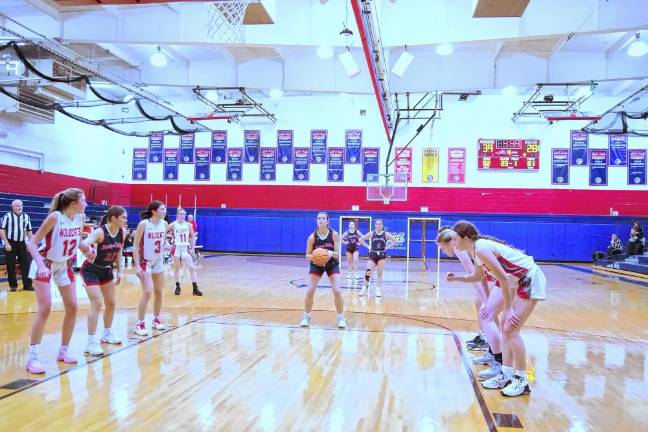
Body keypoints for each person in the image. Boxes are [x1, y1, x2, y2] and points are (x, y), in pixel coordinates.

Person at [448, 220, 547, 397]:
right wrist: (457, 278)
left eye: (455, 239)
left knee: (511, 328)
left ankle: (522, 380)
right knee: (505, 327)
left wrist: (508, 309)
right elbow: (478, 276)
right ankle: (507, 373)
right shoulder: (475, 251)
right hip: (519, 281)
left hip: (529, 278)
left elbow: (503, 281)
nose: (453, 243)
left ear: (466, 237)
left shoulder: (482, 249)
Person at [24, 188, 96, 374]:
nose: (86, 204)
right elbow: (32, 243)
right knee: (45, 308)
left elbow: (76, 241)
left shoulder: (80, 218)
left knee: (72, 308)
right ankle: (32, 357)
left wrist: (87, 249)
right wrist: (40, 265)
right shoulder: (55, 217)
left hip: (65, 264)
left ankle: (63, 351)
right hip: (45, 263)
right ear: (73, 203)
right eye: (84, 200)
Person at [436, 227, 497, 359]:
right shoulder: (460, 247)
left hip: (495, 272)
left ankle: (493, 348)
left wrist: (486, 299)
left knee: (486, 308)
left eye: (443, 248)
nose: (443, 252)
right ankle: (487, 340)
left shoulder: (459, 249)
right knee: (481, 304)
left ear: (451, 242)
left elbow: (473, 274)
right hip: (488, 272)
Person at [80, 206, 128, 356]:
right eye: (123, 217)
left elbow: (119, 250)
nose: (126, 220)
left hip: (106, 269)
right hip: (91, 269)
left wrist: (120, 270)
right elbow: (84, 244)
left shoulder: (122, 232)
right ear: (113, 218)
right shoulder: (100, 232)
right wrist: (89, 250)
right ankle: (90, 342)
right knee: (97, 304)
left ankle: (107, 334)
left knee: (111, 303)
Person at [300, 212, 346, 329]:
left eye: (323, 218)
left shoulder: (334, 235)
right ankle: (306, 316)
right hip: (317, 265)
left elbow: (337, 255)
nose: (321, 220)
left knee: (337, 291)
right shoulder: (312, 238)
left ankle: (341, 317)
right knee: (310, 291)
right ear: (317, 221)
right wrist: (316, 255)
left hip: (331, 264)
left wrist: (328, 253)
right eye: (319, 218)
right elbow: (307, 255)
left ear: (327, 221)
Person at [132, 200, 169, 337]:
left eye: (165, 209)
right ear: (154, 211)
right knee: (148, 291)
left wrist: (168, 246)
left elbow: (163, 241)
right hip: (144, 261)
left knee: (159, 292)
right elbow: (135, 246)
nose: (164, 211)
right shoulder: (144, 224)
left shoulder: (164, 224)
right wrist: (136, 265)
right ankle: (140, 323)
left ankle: (156, 319)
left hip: (158, 260)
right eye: (162, 209)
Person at [358, 219, 398, 297]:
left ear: (382, 225)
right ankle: (363, 289)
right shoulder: (372, 233)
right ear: (375, 225)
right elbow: (361, 239)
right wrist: (368, 246)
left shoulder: (386, 234)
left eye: (380, 224)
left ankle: (378, 290)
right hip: (373, 255)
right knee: (368, 271)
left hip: (382, 256)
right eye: (377, 224)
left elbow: (395, 241)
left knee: (379, 274)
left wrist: (387, 247)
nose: (378, 225)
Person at [1, 199, 34, 292]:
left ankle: (27, 285)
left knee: (26, 265)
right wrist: (6, 243)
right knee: (10, 265)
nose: (20, 207)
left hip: (22, 243)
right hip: (11, 242)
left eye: (21, 205)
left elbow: (29, 231)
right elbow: (2, 230)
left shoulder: (26, 217)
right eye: (18, 205)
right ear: (13, 207)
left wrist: (30, 244)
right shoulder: (7, 216)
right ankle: (13, 286)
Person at [167, 208, 202, 296]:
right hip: (176, 248)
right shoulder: (173, 224)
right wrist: (167, 243)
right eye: (181, 214)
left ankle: (195, 288)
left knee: (191, 267)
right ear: (177, 215)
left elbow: (192, 236)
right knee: (177, 268)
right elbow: (163, 232)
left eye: (184, 214)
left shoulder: (188, 225)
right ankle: (177, 286)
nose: (183, 216)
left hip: (185, 248)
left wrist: (192, 247)